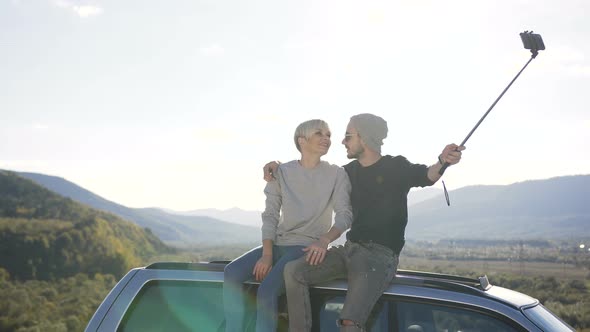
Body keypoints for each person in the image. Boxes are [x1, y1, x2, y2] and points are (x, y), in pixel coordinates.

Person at [263, 113, 465, 331]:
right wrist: (277, 165)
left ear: (364, 138)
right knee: (294, 272)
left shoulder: (396, 166)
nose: (342, 142)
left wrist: (444, 161)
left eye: (348, 136)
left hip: (378, 257)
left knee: (349, 321)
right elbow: (310, 170)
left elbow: (428, 175)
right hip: (348, 250)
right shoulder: (346, 173)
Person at [223, 119, 353, 332]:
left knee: (267, 291)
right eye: (319, 133)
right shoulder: (280, 172)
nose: (327, 139)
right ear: (302, 140)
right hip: (279, 243)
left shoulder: (337, 174)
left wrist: (325, 240)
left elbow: (345, 215)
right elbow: (271, 214)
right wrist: (267, 254)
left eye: (328, 134)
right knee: (231, 272)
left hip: (307, 248)